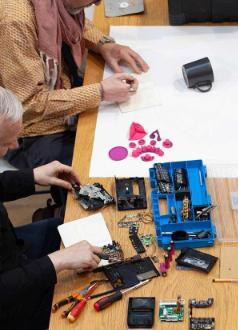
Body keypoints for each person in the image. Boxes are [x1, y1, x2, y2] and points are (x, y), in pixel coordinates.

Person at [0, 87, 103, 330]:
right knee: (98, 300)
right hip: (6, 304)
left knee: (68, 227)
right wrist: (59, 261)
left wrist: (32, 176)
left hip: (11, 253)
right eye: (4, 143)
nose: (15, 147)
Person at [0, 0, 148, 204]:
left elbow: (69, 20)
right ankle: (63, 216)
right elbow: (29, 104)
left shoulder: (53, 5)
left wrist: (104, 44)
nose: (97, 2)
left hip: (61, 90)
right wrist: (100, 92)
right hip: (28, 131)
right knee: (91, 179)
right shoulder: (16, 21)